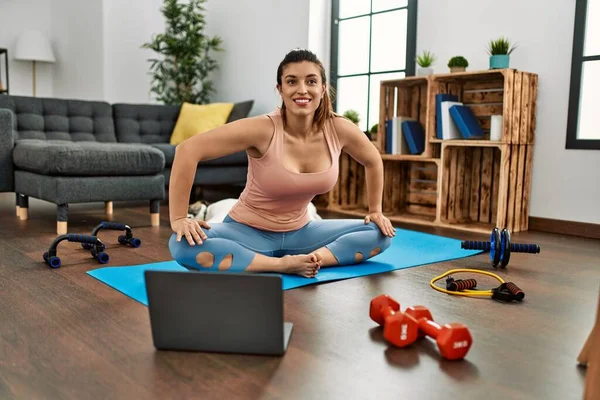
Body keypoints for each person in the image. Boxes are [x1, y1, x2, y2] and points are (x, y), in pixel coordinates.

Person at [168, 48, 395, 278]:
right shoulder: (262, 129)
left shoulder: (338, 129)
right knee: (182, 246)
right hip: (246, 232)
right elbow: (187, 150)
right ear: (281, 89)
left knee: (380, 233)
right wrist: (178, 219)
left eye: (311, 81)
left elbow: (373, 160)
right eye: (292, 81)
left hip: (303, 233)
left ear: (323, 89)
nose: (302, 89)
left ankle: (314, 260)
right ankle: (281, 265)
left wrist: (376, 210)